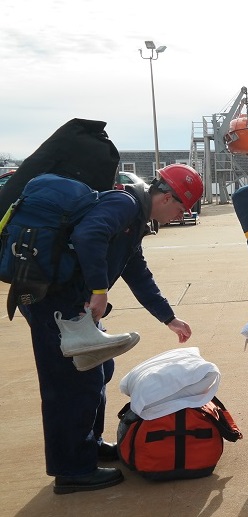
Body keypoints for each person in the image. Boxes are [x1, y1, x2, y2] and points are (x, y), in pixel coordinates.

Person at [19, 163, 202, 494]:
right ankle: (72, 469)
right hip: (52, 301)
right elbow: (88, 235)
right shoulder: (125, 204)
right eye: (181, 207)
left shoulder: (133, 220)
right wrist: (99, 289)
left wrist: (168, 317)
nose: (180, 215)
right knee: (72, 381)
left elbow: (137, 273)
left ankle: (88, 444)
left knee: (99, 370)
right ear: (165, 196)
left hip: (73, 304)